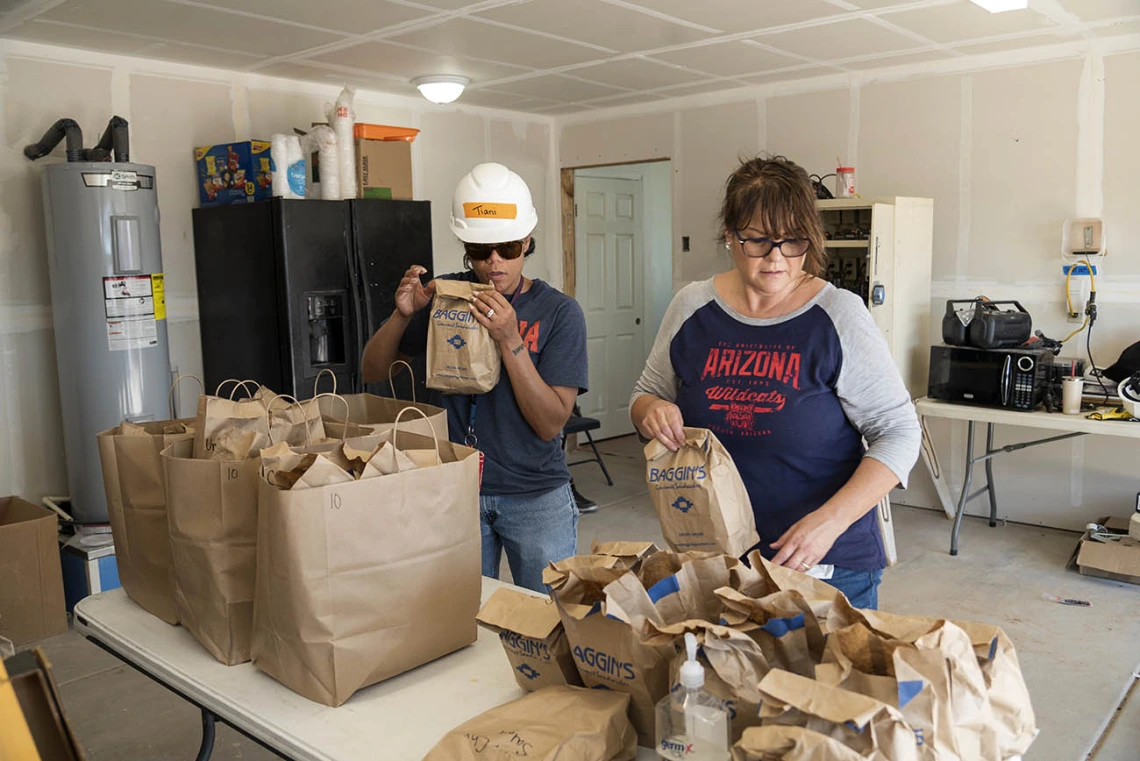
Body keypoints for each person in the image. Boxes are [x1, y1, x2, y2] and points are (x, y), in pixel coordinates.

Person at [630, 155, 920, 609]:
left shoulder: (838, 315)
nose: (776, 259)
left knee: (819, 681)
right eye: (758, 241)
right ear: (730, 236)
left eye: (793, 242)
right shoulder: (691, 307)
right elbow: (646, 392)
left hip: (822, 563)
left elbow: (900, 433)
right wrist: (650, 410)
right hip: (716, 555)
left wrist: (829, 522)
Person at [361, 162, 588, 593]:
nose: (494, 264)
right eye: (480, 252)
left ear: (526, 242)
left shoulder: (559, 313)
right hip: (454, 489)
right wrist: (401, 315)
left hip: (535, 496)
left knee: (546, 623)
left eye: (506, 248)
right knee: (463, 622)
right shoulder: (446, 294)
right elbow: (372, 371)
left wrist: (509, 339)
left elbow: (551, 423)